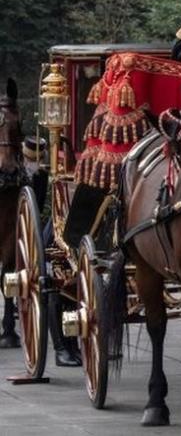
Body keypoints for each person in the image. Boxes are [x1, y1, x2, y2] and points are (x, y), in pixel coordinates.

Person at [22, 136, 83, 367]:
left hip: (58, 226)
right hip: (46, 233)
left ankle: (74, 345)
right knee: (54, 281)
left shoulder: (42, 173)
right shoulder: (33, 175)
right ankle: (60, 347)